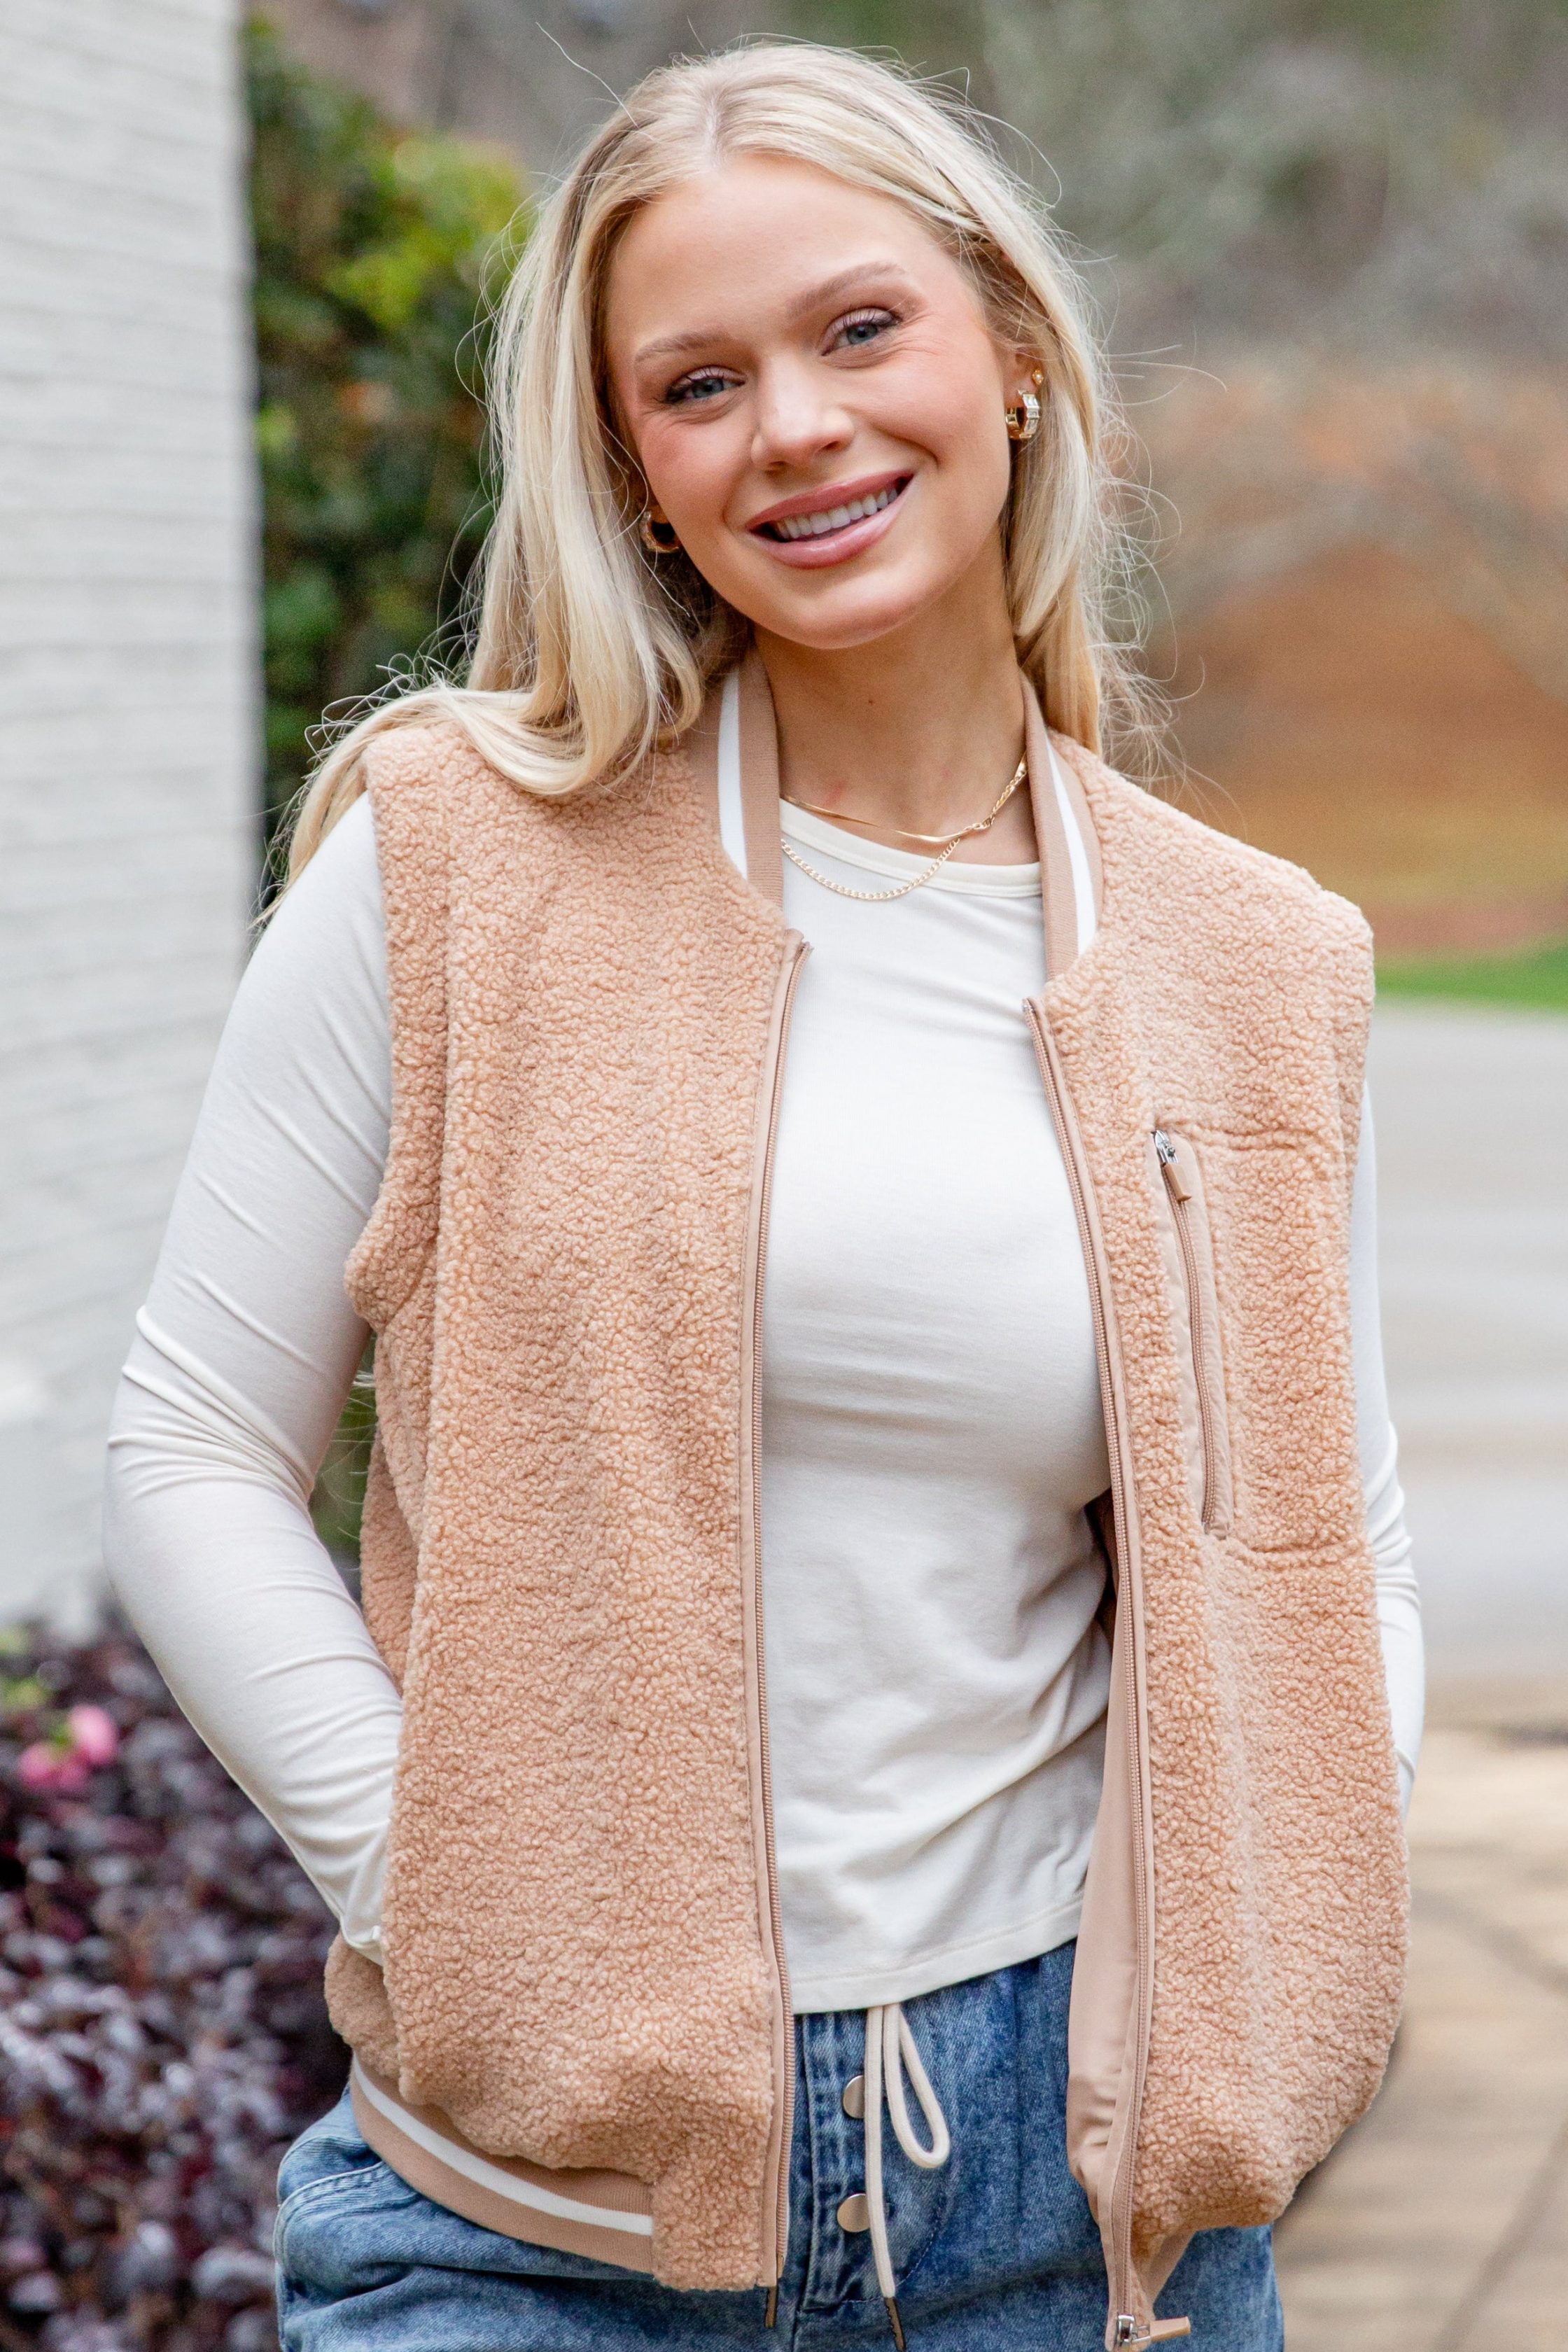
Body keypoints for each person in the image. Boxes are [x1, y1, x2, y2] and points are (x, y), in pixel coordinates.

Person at [104, 41, 1422, 2352]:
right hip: (529, 2233)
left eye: (858, 330)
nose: (794, 428)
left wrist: (1286, 1932)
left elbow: (1338, 1544)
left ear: (1012, 352)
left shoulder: (1253, 962)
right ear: (632, 470)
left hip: (1076, 2220)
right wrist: (446, 1891)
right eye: (696, 384)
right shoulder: (450, 866)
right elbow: (190, 1450)